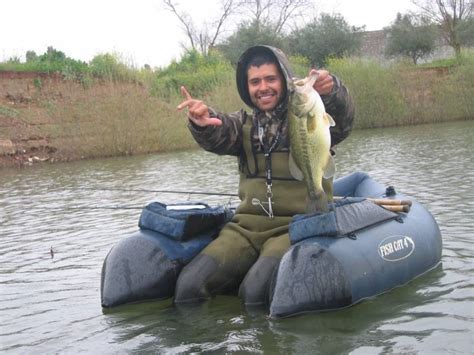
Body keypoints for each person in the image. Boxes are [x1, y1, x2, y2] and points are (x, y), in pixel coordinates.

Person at [174, 45, 355, 306]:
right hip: (244, 229)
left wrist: (334, 90)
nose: (263, 87)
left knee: (255, 292)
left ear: (284, 79)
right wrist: (201, 123)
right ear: (246, 87)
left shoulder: (309, 115)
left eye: (271, 79)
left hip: (293, 226)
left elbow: (343, 119)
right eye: (255, 81)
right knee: (189, 287)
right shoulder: (242, 125)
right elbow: (219, 131)